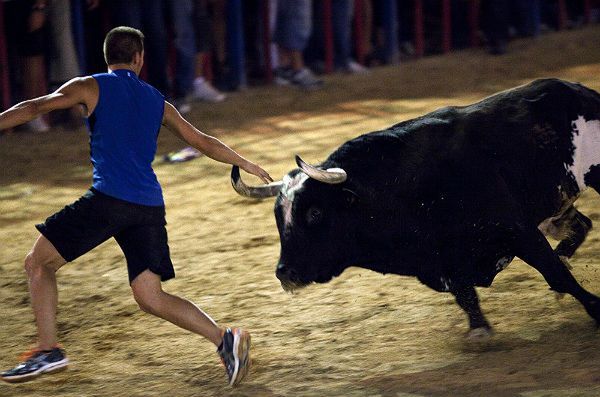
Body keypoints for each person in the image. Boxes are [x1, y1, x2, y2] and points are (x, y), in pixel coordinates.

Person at [0, 26, 271, 386]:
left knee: (37, 263)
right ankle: (225, 339)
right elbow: (201, 140)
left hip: (110, 199)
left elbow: (34, 107)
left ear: (107, 56)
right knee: (151, 296)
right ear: (139, 59)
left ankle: (49, 349)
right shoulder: (158, 101)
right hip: (148, 206)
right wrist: (246, 163)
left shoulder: (88, 85)